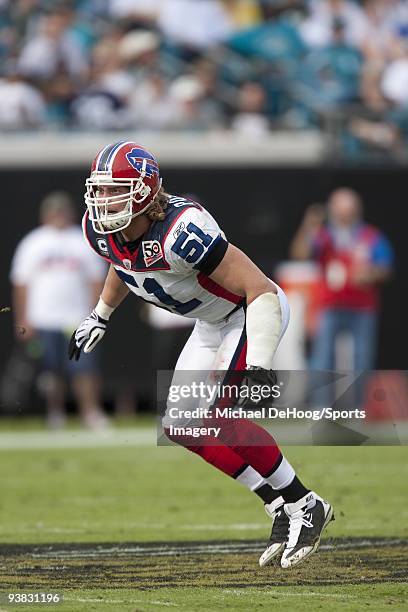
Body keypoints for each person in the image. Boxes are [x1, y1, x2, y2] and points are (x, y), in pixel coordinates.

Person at [69, 141, 334, 569]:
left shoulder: (182, 230)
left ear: (142, 191)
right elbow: (122, 264)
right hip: (211, 324)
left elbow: (259, 289)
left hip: (246, 313)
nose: (101, 200)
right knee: (181, 425)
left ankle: (305, 502)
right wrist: (100, 315)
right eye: (98, 190)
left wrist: (259, 363)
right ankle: (277, 503)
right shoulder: (99, 228)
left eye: (113, 189)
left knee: (218, 416)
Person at [10, 191, 109, 430]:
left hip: (77, 318)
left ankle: (90, 412)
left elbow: (96, 279)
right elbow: (21, 283)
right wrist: (23, 318)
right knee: (51, 370)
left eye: (62, 211)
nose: (58, 216)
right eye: (54, 212)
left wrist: (96, 314)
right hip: (44, 318)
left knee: (84, 368)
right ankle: (55, 413)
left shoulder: (81, 239)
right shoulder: (34, 242)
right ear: (45, 215)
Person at [290, 189, 394, 375]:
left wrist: (371, 273)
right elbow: (300, 254)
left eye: (348, 210)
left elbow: (386, 267)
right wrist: (309, 224)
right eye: (340, 210)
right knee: (322, 357)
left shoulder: (370, 237)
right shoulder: (324, 235)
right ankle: (320, 403)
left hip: (362, 307)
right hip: (328, 305)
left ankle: (358, 403)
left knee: (362, 359)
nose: (344, 215)